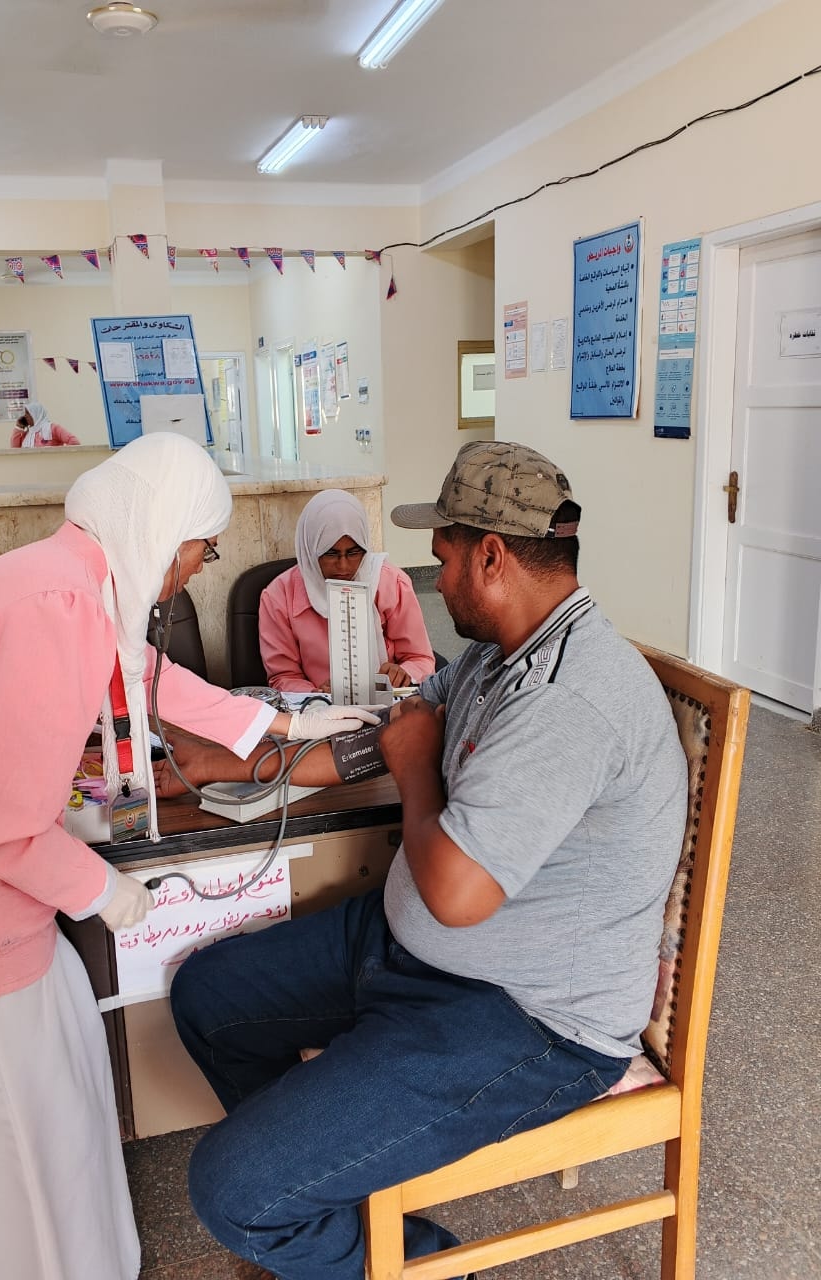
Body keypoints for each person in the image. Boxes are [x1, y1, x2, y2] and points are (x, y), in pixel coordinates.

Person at [159, 439, 688, 1280]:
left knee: (231, 1191)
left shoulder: (569, 700)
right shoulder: (498, 653)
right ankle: (328, 1195)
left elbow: (455, 892)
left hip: (527, 1016)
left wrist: (413, 767)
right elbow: (384, 736)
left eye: (443, 556)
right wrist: (229, 762)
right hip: (417, 952)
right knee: (209, 997)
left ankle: (421, 1263)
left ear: (492, 555)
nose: (433, 577)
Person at [0, 433, 376, 1280]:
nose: (200, 569)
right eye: (203, 548)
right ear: (164, 531)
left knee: (59, 1115)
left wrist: (286, 721)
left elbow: (148, 675)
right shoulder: (55, 608)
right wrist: (103, 889)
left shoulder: (65, 585)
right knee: (7, 1162)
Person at [259, 488, 435, 692]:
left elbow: (421, 659)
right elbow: (283, 677)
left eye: (353, 553)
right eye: (330, 554)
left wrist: (403, 673)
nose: (343, 566)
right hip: (317, 706)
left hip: (389, 700)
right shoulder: (279, 597)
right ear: (310, 550)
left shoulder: (391, 583)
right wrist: (317, 693)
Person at [11, 399, 81, 447]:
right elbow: (15, 449)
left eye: (28, 413)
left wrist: (60, 457)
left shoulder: (53, 428)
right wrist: (18, 427)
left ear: (36, 414)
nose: (25, 416)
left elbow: (74, 442)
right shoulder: (28, 433)